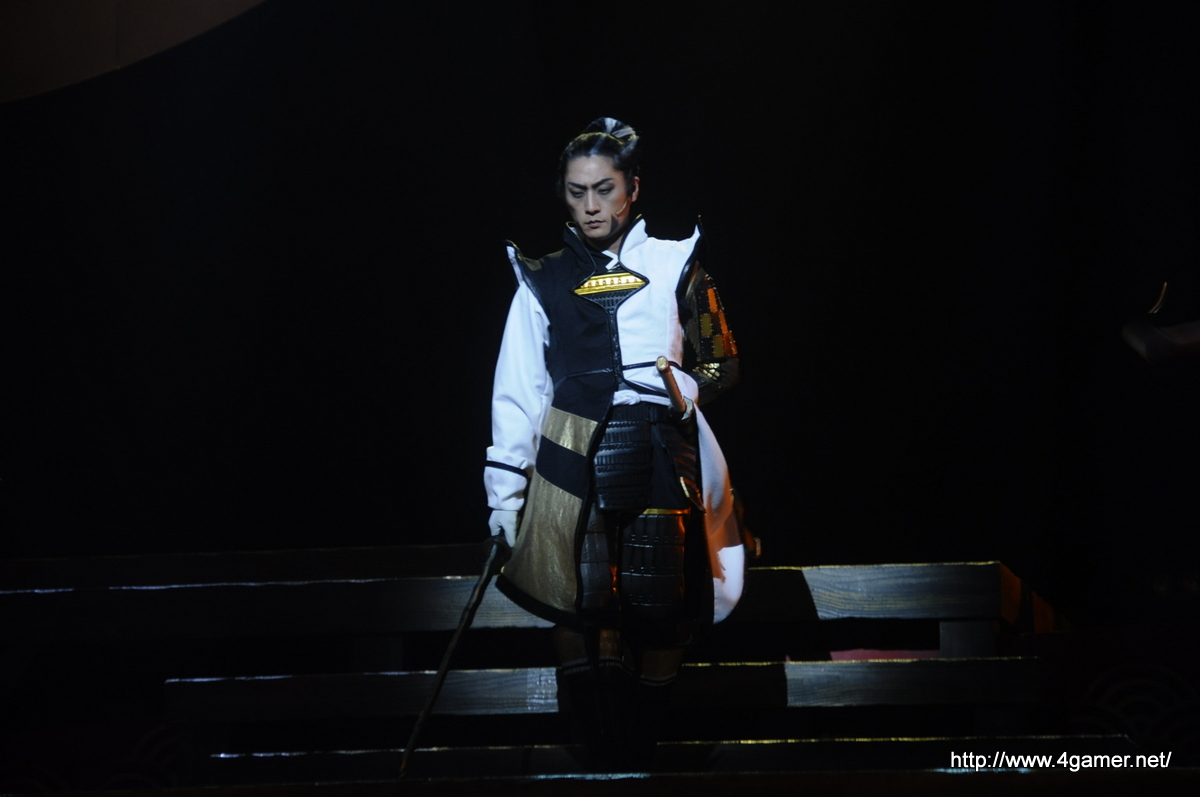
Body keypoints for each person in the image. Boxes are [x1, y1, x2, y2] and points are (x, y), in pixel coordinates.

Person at [483, 117, 744, 768]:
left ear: (632, 187)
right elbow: (519, 390)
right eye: (577, 192)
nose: (592, 205)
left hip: (660, 452)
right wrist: (504, 494)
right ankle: (597, 762)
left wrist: (680, 388)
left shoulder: (676, 261)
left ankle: (643, 759)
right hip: (568, 454)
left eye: (604, 189)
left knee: (663, 608)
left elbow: (722, 359)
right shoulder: (541, 278)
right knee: (577, 606)